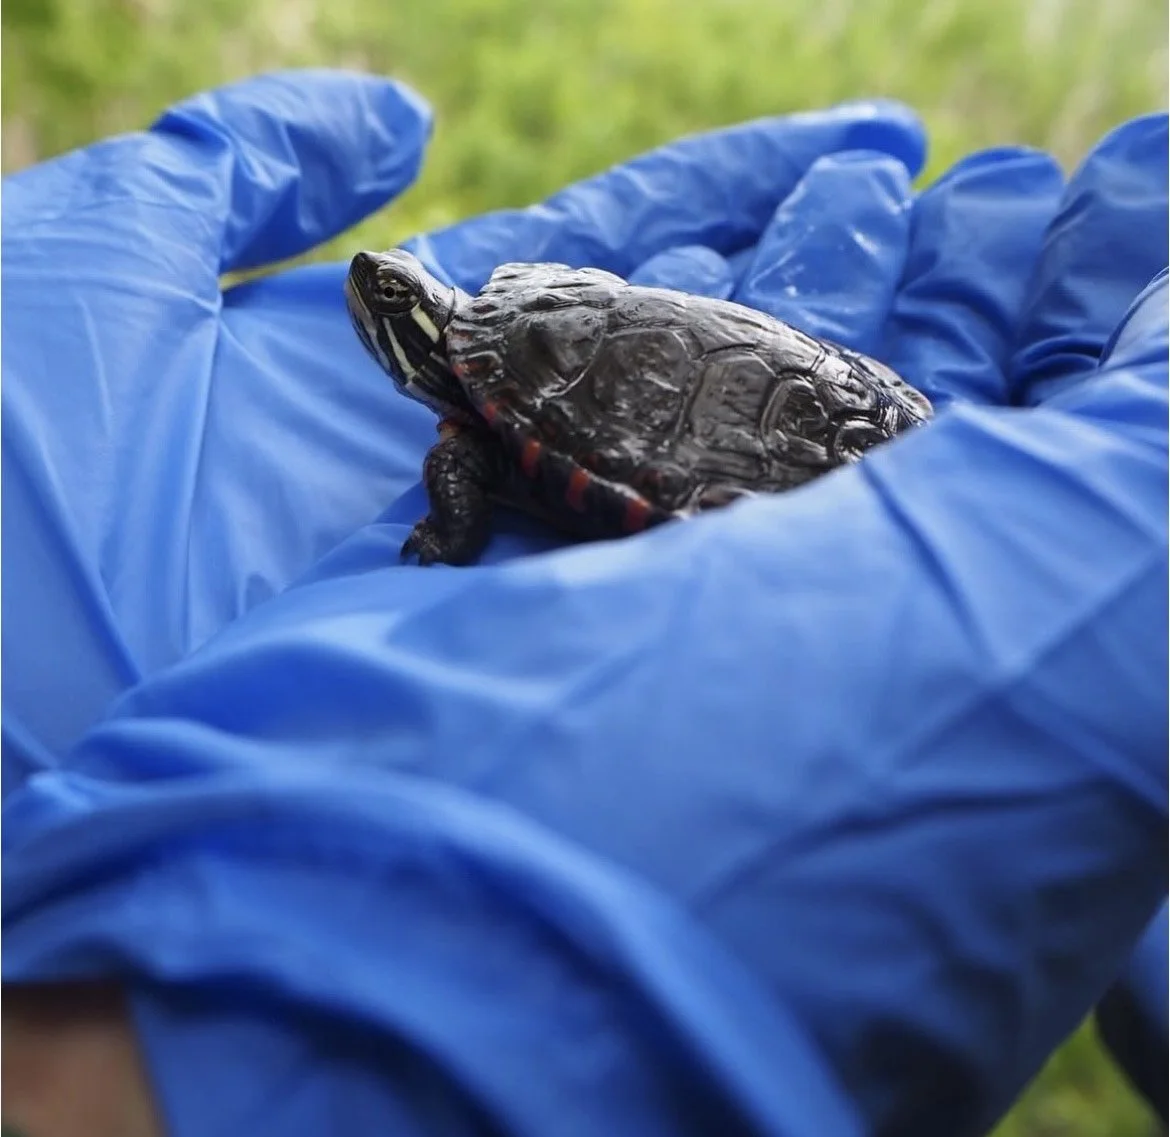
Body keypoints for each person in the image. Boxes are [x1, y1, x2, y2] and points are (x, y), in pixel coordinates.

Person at [2, 69, 1165, 1137]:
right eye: (398, 298)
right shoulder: (505, 337)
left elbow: (472, 465)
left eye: (394, 301)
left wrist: (444, 536)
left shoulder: (475, 407)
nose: (380, 296)